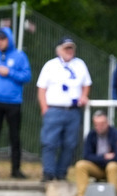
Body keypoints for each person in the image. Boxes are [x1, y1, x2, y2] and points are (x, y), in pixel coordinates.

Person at [36, 36, 91, 182]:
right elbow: (41, 88)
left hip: (73, 111)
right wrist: (44, 108)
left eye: (71, 48)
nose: (70, 51)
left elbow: (86, 83)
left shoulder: (80, 64)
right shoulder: (50, 65)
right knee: (49, 142)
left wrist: (84, 96)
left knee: (70, 144)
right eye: (66, 48)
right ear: (59, 50)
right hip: (54, 109)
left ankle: (61, 173)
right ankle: (48, 172)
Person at [0, 27, 30, 180]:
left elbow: (27, 76)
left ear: (9, 40)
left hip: (14, 102)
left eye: (2, 39)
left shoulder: (19, 56)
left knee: (14, 137)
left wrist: (9, 72)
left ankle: (16, 170)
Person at [74, 110, 117, 196]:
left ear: (107, 122)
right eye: (96, 124)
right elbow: (86, 156)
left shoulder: (116, 135)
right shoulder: (91, 135)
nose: (99, 127)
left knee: (112, 166)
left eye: (102, 123)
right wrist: (104, 157)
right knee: (80, 165)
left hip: (116, 169)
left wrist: (98, 159)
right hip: (98, 168)